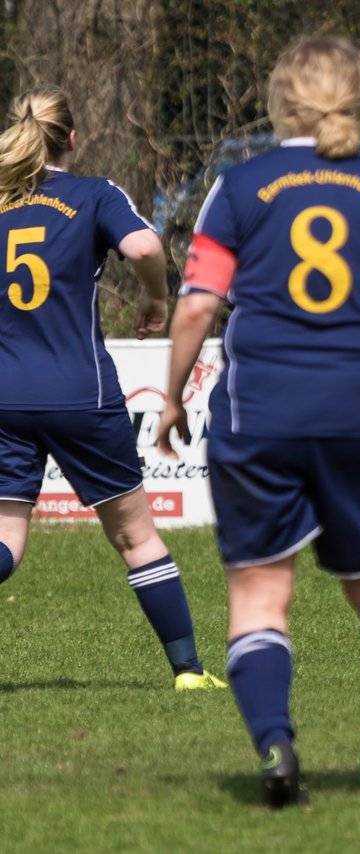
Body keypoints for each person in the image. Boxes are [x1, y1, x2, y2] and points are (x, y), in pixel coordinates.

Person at [156, 35, 360, 807]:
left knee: (259, 599)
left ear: (280, 98)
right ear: (359, 100)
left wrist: (172, 394)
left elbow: (196, 306)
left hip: (260, 415)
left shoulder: (241, 186)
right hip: (357, 415)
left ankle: (277, 747)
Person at [0, 86, 226, 690]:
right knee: (133, 535)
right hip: (79, 391)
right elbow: (146, 245)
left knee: (6, 540)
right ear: (72, 138)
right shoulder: (94, 193)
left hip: (4, 396)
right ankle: (188, 673)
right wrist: (156, 294)